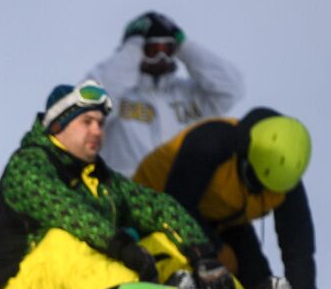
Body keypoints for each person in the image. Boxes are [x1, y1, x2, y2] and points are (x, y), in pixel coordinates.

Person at [0, 79, 233, 289]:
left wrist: (201, 253)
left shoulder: (103, 180)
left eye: (101, 124)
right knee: (61, 242)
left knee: (159, 240)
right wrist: (121, 246)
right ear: (58, 125)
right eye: (87, 122)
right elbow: (70, 211)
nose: (98, 131)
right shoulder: (28, 164)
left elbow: (159, 207)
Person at [133, 107, 316, 289]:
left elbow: (298, 245)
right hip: (157, 204)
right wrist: (207, 255)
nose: (258, 192)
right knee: (216, 264)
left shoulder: (284, 179)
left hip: (217, 217)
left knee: (253, 270)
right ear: (246, 155)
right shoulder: (211, 142)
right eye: (251, 180)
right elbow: (177, 205)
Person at [84, 11, 244, 177]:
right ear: (137, 51)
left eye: (167, 49)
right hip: (127, 193)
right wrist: (131, 48)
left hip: (178, 195)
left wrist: (186, 46)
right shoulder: (118, 96)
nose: (161, 57)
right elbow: (89, 102)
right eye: (152, 50)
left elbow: (231, 87)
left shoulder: (189, 95)